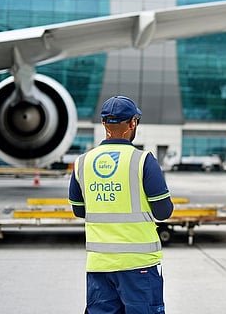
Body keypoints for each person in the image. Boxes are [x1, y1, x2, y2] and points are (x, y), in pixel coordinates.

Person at [68, 95, 174, 314]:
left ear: (104, 123)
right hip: (138, 266)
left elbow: (79, 210)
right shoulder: (143, 161)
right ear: (132, 123)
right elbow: (163, 212)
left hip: (99, 266)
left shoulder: (82, 162)